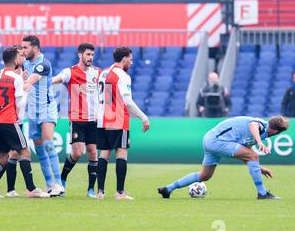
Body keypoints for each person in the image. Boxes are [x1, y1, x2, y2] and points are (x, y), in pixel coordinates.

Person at [158, 116, 289, 200]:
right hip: (217, 141)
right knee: (253, 154)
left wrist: (259, 168)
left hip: (210, 140)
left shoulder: (256, 132)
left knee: (205, 176)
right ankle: (262, 193)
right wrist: (260, 143)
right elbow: (253, 125)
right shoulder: (261, 125)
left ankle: (168, 189)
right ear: (276, 132)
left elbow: (245, 157)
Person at [0, 47, 50, 199]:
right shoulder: (16, 78)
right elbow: (19, 103)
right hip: (8, 120)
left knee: (2, 157)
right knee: (25, 152)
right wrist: (18, 121)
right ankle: (31, 189)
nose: (22, 58)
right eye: (20, 56)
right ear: (14, 60)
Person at [96, 47, 150, 200]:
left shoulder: (104, 73)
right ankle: (120, 193)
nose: (131, 62)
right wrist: (143, 117)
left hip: (103, 118)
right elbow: (127, 101)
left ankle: (100, 192)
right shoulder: (122, 75)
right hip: (117, 120)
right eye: (131, 59)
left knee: (104, 153)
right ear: (125, 58)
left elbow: (106, 97)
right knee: (121, 152)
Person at [52, 43, 99, 198]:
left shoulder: (97, 73)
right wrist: (47, 81)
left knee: (93, 153)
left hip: (94, 120)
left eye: (92, 55)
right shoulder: (70, 72)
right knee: (78, 153)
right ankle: (62, 179)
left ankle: (91, 189)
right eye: (88, 54)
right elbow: (58, 79)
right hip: (77, 119)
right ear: (80, 55)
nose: (90, 58)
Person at [22, 35, 65, 196]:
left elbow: (31, 80)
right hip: (32, 112)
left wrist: (22, 84)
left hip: (46, 109)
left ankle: (59, 184)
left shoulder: (43, 64)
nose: (23, 50)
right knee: (39, 150)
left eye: (26, 47)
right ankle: (49, 185)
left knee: (48, 144)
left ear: (35, 48)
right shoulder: (25, 63)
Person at [3, 45, 28, 197]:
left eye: (23, 55)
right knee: (11, 154)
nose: (22, 57)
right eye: (19, 54)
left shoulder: (21, 72)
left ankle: (8, 189)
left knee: (12, 154)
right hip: (11, 118)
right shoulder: (13, 74)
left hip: (17, 117)